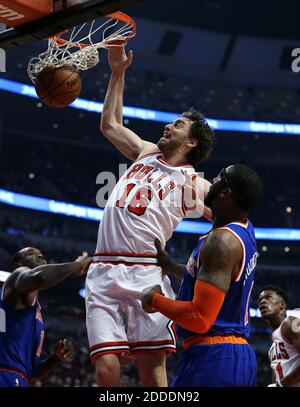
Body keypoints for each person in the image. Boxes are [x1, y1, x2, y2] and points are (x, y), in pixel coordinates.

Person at [85, 46, 215, 387]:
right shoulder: (146, 152)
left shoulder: (195, 185)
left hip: (147, 272)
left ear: (191, 143)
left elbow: (230, 220)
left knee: (152, 370)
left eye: (180, 124)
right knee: (106, 370)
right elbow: (110, 124)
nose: (170, 125)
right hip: (104, 267)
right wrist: (117, 72)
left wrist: (193, 266)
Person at [142, 164, 263, 387]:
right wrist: (171, 267)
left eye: (217, 178)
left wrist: (154, 300)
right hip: (234, 355)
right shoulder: (245, 229)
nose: (212, 181)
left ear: (225, 193)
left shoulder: (221, 242)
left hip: (214, 358)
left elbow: (200, 318)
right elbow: (214, 283)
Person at [0, 247, 92, 387]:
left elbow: (32, 374)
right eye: (31, 254)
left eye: (41, 254)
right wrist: (74, 265)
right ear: (17, 265)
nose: (39, 256)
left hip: (18, 379)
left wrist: (56, 358)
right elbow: (39, 277)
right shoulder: (17, 276)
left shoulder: (33, 309)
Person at [258, 286, 300, 387]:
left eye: (268, 298)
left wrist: (280, 385)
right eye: (260, 300)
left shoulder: (291, 322)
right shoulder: (272, 346)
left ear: (282, 305)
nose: (262, 301)